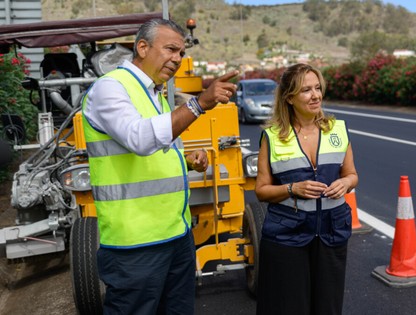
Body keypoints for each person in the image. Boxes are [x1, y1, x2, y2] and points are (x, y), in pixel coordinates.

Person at [81, 18, 238, 314]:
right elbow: (139, 139)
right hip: (136, 245)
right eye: (170, 49)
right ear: (142, 47)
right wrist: (198, 104)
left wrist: (188, 160)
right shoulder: (110, 89)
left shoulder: (156, 94)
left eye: (181, 53)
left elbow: (158, 150)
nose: (178, 59)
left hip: (176, 235)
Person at [255, 63, 358, 315]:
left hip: (331, 233)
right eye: (306, 90)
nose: (315, 95)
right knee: (290, 308)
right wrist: (292, 188)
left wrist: (344, 184)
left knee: (328, 308)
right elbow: (262, 190)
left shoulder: (338, 130)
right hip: (287, 237)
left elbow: (352, 175)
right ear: (289, 98)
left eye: (317, 88)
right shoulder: (272, 137)